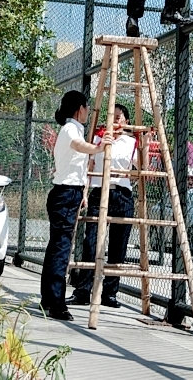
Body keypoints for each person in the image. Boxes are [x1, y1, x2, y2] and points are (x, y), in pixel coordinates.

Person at [41, 90, 111, 321]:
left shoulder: (74, 128)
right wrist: (99, 148)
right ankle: (56, 303)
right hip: (64, 194)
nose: (89, 111)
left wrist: (82, 192)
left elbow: (77, 165)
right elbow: (79, 146)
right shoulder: (70, 129)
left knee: (57, 247)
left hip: (69, 193)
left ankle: (48, 299)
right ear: (80, 108)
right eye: (87, 107)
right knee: (61, 249)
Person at [71, 103, 138, 309]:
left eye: (119, 117)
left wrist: (144, 145)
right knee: (91, 242)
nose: (115, 120)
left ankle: (110, 292)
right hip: (99, 191)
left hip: (122, 193)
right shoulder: (98, 138)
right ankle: (83, 290)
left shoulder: (131, 142)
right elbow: (89, 167)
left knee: (118, 245)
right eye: (112, 116)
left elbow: (140, 168)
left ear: (126, 121)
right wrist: (84, 193)